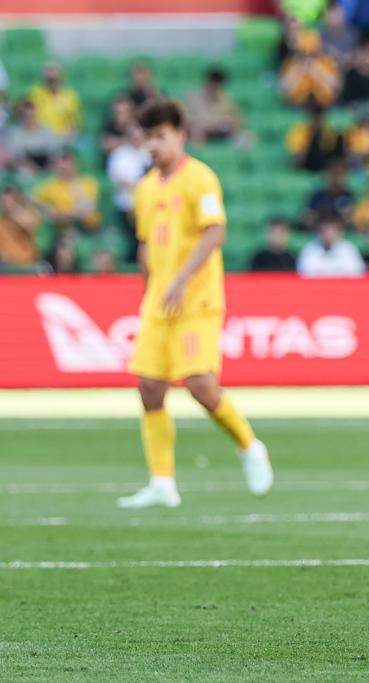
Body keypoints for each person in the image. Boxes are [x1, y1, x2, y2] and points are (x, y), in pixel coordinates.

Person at [118, 99, 272, 509]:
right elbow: (146, 245)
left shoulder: (199, 178)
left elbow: (215, 232)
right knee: (149, 387)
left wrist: (182, 278)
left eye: (161, 136)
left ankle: (249, 446)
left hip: (196, 300)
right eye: (148, 138)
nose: (154, 145)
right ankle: (162, 482)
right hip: (159, 303)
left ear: (180, 136)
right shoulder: (145, 189)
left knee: (201, 386)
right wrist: (148, 291)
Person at [107, 124, 151, 258]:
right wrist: (140, 186)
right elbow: (118, 179)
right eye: (133, 136)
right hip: (126, 204)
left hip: (149, 204)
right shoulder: (119, 154)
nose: (136, 139)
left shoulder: (149, 152)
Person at [33, 150, 102, 233]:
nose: (63, 167)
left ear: (75, 164)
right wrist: (48, 211)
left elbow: (86, 210)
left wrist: (59, 214)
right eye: (58, 164)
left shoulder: (87, 182)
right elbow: (34, 201)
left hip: (89, 228)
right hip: (63, 230)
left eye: (66, 162)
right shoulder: (49, 185)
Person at [280, 30, 341, 108]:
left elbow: (335, 87)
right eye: (302, 53)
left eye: (311, 53)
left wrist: (316, 71)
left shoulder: (326, 62)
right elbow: (284, 89)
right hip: (297, 105)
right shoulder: (291, 64)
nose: (307, 56)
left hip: (323, 104)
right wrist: (298, 72)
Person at [184, 67, 245, 146]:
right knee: (195, 131)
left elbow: (238, 119)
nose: (215, 86)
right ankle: (198, 152)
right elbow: (187, 120)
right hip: (199, 131)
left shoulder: (225, 98)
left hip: (220, 131)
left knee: (245, 137)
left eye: (218, 83)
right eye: (213, 82)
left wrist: (230, 121)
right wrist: (210, 124)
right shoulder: (193, 97)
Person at [5, 99, 62, 177]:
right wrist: (31, 165)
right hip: (26, 164)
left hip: (46, 162)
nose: (30, 119)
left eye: (32, 116)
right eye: (26, 116)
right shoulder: (15, 133)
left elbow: (55, 151)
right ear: (22, 117)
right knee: (24, 171)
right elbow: (16, 156)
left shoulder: (46, 130)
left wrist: (50, 164)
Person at [28, 62, 82, 139]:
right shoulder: (34, 93)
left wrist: (69, 133)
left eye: (55, 79)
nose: (52, 82)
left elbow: (76, 123)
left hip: (63, 139)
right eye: (50, 79)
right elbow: (27, 117)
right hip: (39, 138)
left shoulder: (71, 96)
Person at [297, 217, 366, 277]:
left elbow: (357, 273)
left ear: (340, 233)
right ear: (319, 232)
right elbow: (304, 273)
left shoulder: (349, 249)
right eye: (325, 231)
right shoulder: (310, 249)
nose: (329, 234)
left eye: (332, 230)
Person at [286, 104, 346, 172]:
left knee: (339, 138)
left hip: (324, 160)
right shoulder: (299, 130)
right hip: (308, 161)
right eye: (315, 118)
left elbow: (332, 150)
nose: (318, 121)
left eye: (320, 118)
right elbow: (297, 154)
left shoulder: (328, 131)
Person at [304, 158, 356, 230]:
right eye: (334, 174)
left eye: (340, 174)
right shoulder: (317, 196)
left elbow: (350, 220)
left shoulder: (349, 196)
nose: (336, 178)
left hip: (341, 233)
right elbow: (308, 219)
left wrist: (335, 225)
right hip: (319, 231)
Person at [0, 185, 43, 268]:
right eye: (4, 201)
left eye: (11, 201)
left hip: (28, 262)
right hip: (6, 265)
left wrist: (15, 211)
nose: (7, 204)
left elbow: (30, 226)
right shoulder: (2, 221)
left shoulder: (30, 214)